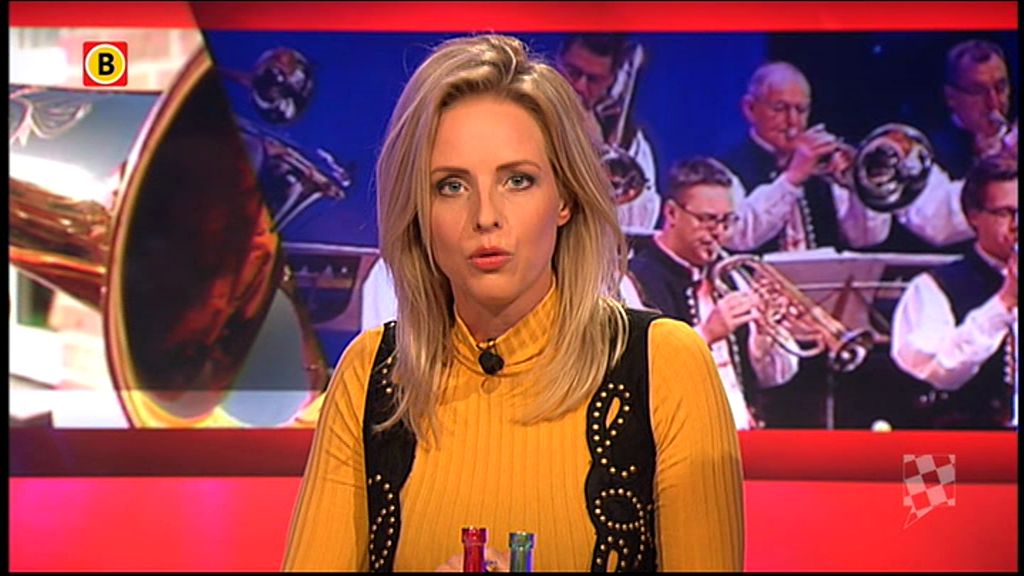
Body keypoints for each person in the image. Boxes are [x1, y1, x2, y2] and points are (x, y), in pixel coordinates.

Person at [284, 34, 744, 571]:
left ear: (566, 197)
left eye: (517, 181)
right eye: (451, 186)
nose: (485, 216)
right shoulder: (370, 376)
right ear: (418, 210)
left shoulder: (664, 365)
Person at [627, 157, 799, 430]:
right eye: (707, 220)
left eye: (726, 221)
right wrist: (706, 334)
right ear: (671, 213)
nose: (718, 232)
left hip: (745, 436)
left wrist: (767, 334)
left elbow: (775, 376)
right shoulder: (633, 281)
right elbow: (632, 375)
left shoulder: (734, 276)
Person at [890, 154, 1018, 429]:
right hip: (961, 440)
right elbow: (940, 373)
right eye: (1005, 213)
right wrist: (1003, 303)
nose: (1016, 224)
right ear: (973, 216)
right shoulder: (933, 287)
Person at [720, 61, 890, 254]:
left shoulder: (824, 164)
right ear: (750, 108)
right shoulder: (725, 171)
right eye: (779, 108)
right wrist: (793, 177)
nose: (793, 121)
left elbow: (867, 237)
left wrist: (856, 187)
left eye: (801, 110)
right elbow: (737, 236)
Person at [877, 39, 1017, 253]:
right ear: (951, 97)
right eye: (977, 91)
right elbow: (938, 226)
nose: (994, 103)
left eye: (1000, 87)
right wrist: (1000, 160)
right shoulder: (924, 149)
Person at [556, 33, 662, 233]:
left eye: (594, 79)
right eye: (572, 72)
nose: (579, 86)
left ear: (610, 81)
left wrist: (597, 149)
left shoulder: (628, 142)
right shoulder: (523, 115)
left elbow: (639, 223)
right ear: (558, 61)